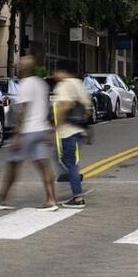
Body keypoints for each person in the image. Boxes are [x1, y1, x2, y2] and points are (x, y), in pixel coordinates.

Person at [0, 53, 60, 211]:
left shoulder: (25, 84)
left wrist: (17, 134)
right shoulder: (41, 83)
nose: (18, 66)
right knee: (44, 165)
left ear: (23, 68)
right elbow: (47, 108)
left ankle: (2, 199)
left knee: (13, 165)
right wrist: (51, 129)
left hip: (28, 131)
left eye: (20, 64)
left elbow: (23, 110)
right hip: (42, 129)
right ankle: (51, 200)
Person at [51, 64, 92, 207]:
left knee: (69, 163)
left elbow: (65, 106)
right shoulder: (79, 84)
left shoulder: (64, 85)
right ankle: (71, 181)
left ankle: (77, 197)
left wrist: (58, 125)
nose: (55, 74)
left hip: (67, 131)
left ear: (64, 72)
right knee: (67, 160)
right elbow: (87, 110)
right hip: (79, 130)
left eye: (57, 70)